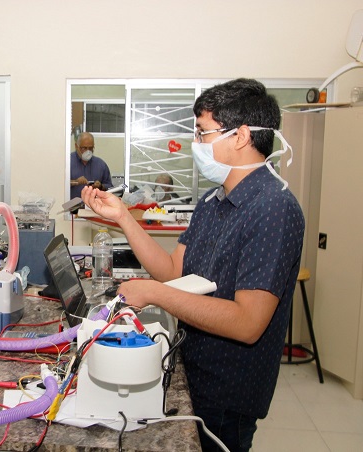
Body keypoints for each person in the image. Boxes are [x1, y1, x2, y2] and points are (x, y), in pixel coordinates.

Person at [81, 78, 304, 452]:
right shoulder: (213, 201)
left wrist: (155, 294)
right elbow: (172, 272)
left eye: (202, 132)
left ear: (240, 136)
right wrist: (122, 216)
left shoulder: (272, 208)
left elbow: (248, 323)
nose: (195, 143)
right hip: (191, 369)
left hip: (226, 391)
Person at [70, 131, 112, 198]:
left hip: (94, 206)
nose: (88, 151)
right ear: (76, 146)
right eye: (84, 148)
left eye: (90, 148)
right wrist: (75, 181)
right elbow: (58, 184)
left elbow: (110, 187)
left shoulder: (101, 165)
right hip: (71, 206)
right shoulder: (67, 162)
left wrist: (101, 186)